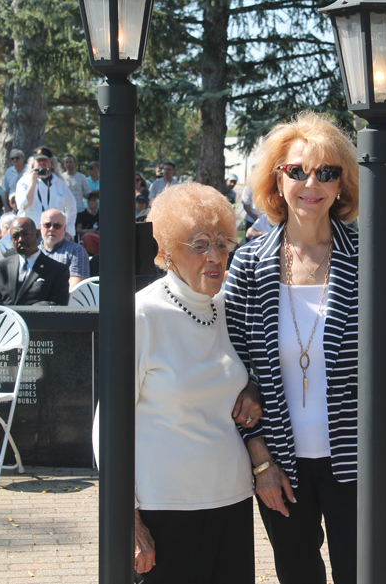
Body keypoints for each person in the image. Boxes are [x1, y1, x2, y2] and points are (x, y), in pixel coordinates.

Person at [224, 111, 386, 584]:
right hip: (280, 464)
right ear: (276, 179)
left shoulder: (368, 258)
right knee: (297, 574)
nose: (313, 183)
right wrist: (260, 461)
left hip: (357, 461)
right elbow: (234, 373)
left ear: (342, 183)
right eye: (299, 171)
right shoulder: (249, 266)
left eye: (327, 172)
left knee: (362, 573)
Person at [133, 182, 261, 584]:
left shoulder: (228, 307)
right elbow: (109, 424)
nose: (215, 256)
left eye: (223, 244)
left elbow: (253, 368)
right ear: (167, 251)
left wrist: (253, 388)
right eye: (200, 244)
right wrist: (126, 519)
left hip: (233, 499)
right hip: (164, 506)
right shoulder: (142, 315)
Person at [0, 217, 69, 306]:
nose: (20, 239)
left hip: (37, 318)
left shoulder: (57, 270)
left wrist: (31, 311)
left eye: (25, 234)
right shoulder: (0, 268)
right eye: (15, 236)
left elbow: (58, 303)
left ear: (37, 234)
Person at [15, 146, 77, 238]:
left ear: (51, 163)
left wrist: (68, 232)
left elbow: (72, 208)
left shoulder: (59, 184)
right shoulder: (24, 182)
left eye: (45, 161)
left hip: (53, 232)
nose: (42, 163)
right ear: (33, 163)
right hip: (31, 232)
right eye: (38, 161)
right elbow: (23, 205)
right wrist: (33, 183)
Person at [39, 209, 90, 290]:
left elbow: (76, 289)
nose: (51, 229)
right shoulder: (34, 252)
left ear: (64, 228)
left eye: (57, 226)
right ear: (41, 227)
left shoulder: (76, 251)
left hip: (62, 301)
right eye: (47, 225)